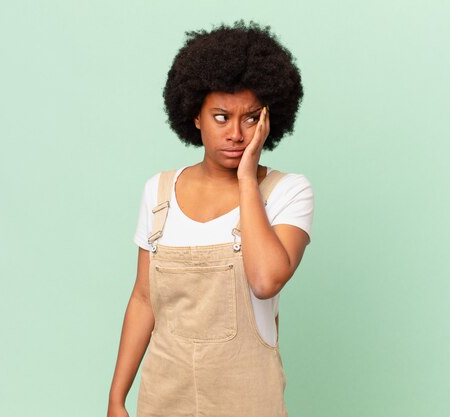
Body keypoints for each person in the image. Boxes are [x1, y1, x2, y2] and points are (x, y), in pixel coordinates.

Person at [107, 21, 314, 417]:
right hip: (164, 397)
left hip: (248, 399)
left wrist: (246, 181)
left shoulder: (288, 192)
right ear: (195, 116)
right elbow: (143, 298)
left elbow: (266, 279)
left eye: (251, 118)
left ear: (270, 119)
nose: (236, 133)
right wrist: (117, 397)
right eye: (221, 117)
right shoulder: (159, 192)